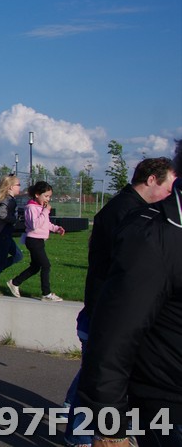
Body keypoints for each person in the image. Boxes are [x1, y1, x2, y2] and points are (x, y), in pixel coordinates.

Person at [62, 157, 176, 446]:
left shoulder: (135, 212)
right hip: (106, 313)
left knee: (92, 376)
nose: (170, 194)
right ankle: (80, 436)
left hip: (109, 312)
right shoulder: (133, 216)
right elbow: (126, 284)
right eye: (169, 186)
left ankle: (77, 423)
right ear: (152, 179)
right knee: (97, 375)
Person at [6, 181, 65, 301]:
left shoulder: (41, 208)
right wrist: (45, 211)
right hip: (33, 240)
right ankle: (46, 294)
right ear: (37, 194)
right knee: (46, 265)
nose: (48, 199)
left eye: (49, 196)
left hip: (39, 240)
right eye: (46, 196)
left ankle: (15, 283)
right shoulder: (31, 208)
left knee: (35, 267)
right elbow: (34, 225)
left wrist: (56, 228)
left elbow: (45, 223)